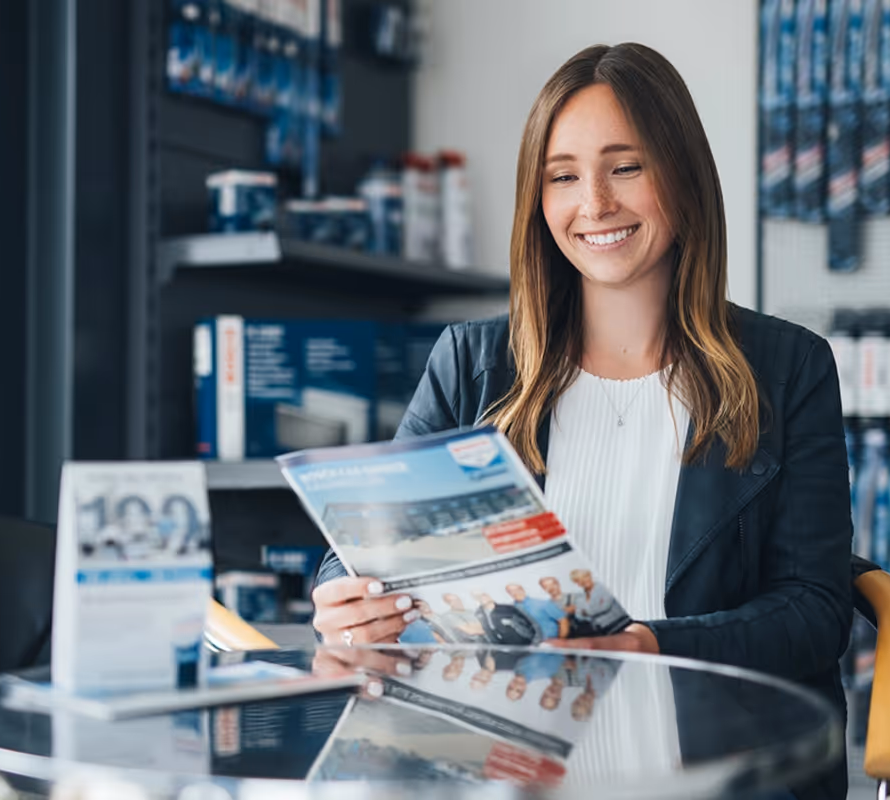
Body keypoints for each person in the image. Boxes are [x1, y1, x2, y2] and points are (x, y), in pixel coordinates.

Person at [311, 42, 852, 799]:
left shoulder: (788, 368)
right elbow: (367, 552)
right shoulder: (471, 364)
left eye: (624, 167)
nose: (593, 203)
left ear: (683, 176)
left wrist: (649, 643)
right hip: (501, 772)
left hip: (709, 774)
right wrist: (343, 600)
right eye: (563, 176)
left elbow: (815, 610)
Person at [567, 569, 630, 635]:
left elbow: (604, 606)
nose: (583, 581)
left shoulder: (604, 587)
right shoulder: (581, 597)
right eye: (578, 580)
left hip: (619, 623)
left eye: (585, 577)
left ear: (590, 575)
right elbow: (579, 616)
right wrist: (583, 612)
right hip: (602, 629)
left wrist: (585, 612)